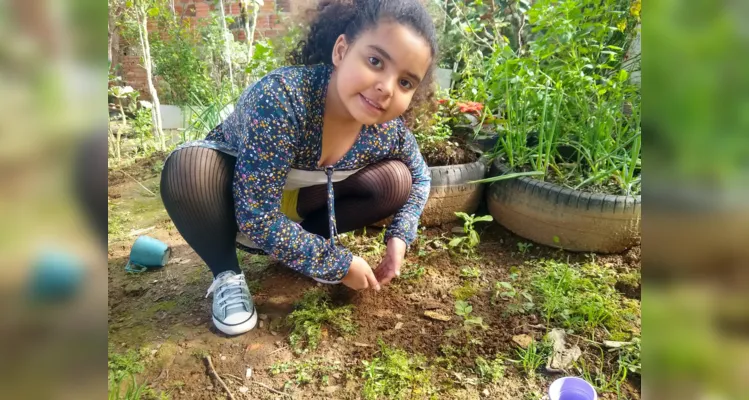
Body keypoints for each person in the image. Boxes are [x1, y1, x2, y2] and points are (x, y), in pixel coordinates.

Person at [160, 0, 438, 336]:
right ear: (341, 51)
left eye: (406, 83)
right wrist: (338, 262)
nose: (386, 87)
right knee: (187, 167)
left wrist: (400, 236)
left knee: (397, 179)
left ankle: (302, 247)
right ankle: (226, 275)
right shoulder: (285, 100)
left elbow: (422, 176)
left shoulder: (384, 131)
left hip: (297, 208)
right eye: (375, 61)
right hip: (233, 205)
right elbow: (256, 214)